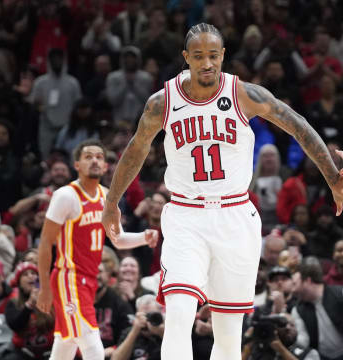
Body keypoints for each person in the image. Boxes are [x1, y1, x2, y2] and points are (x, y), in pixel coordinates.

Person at [102, 23, 343, 360]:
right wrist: (112, 199)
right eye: (198, 56)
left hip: (235, 215)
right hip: (186, 215)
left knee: (228, 336)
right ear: (186, 57)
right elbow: (136, 149)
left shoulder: (244, 93)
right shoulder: (163, 102)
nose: (207, 63)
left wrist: (333, 177)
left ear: (223, 55)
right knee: (180, 313)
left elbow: (298, 125)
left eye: (213, 55)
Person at [36, 139, 158, 360]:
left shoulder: (107, 197)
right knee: (93, 348)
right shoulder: (66, 196)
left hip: (89, 280)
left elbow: (118, 238)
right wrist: (44, 287)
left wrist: (143, 237)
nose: (94, 160)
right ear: (77, 165)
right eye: (88, 156)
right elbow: (45, 243)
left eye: (99, 157)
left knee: (64, 346)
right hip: (69, 280)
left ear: (105, 167)